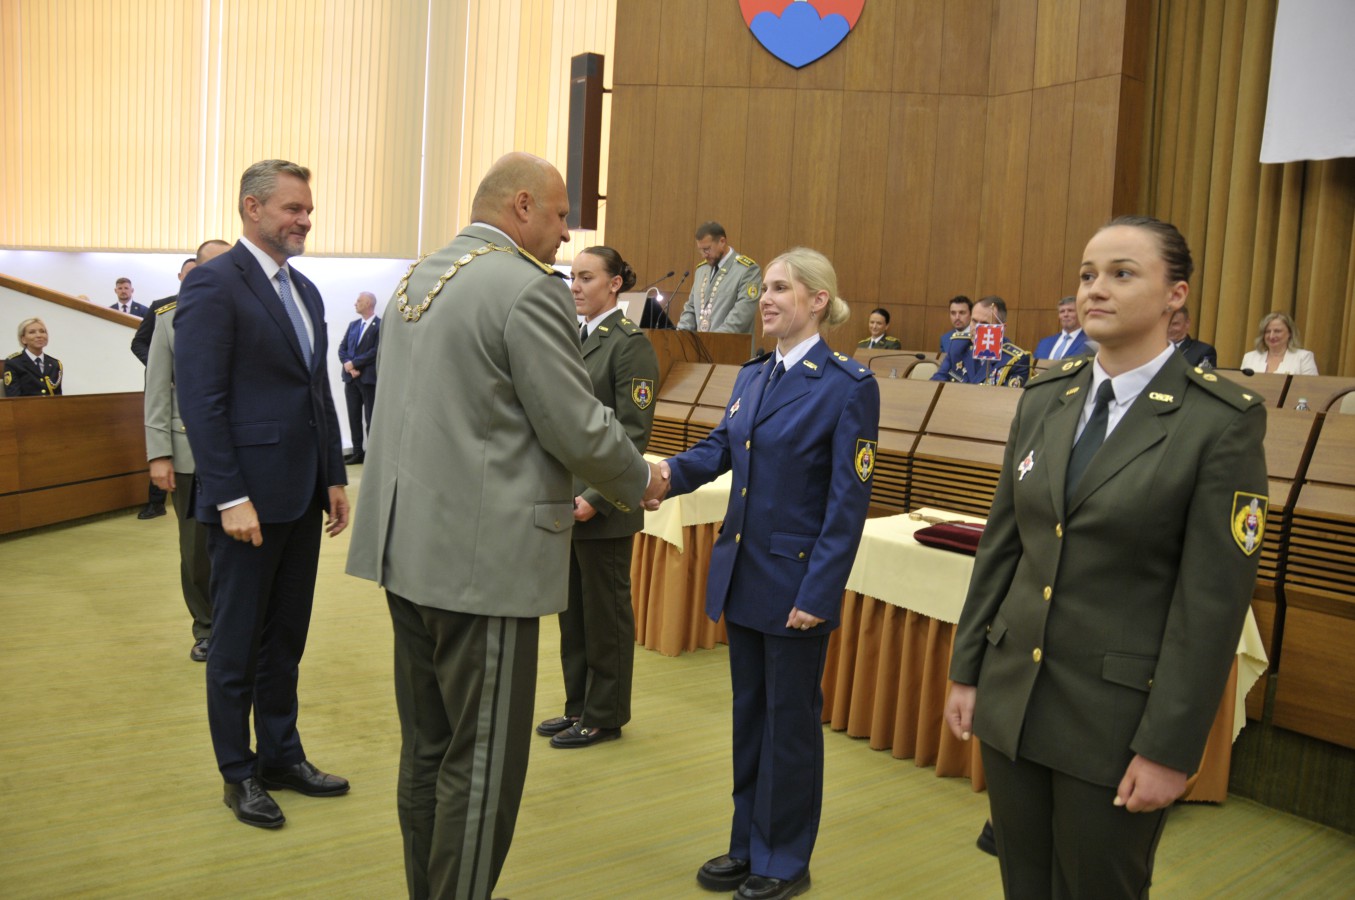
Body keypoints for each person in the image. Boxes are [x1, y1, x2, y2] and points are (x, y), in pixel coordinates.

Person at [345, 152, 669, 900]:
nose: (565, 234)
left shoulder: (420, 277)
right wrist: (640, 478)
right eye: (559, 215)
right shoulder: (524, 287)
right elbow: (575, 424)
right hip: (482, 565)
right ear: (522, 205)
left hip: (407, 551)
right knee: (483, 761)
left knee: (428, 749)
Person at [943, 215, 1267, 898]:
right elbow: (1003, 546)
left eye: (1122, 273)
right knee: (1023, 885)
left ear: (1175, 295)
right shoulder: (1045, 397)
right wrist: (967, 671)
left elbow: (1210, 604)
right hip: (1014, 698)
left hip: (1115, 724)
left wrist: (1169, 747)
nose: (1095, 288)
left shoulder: (1217, 420)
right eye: (1088, 274)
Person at [662, 247, 878, 900]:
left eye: (781, 288)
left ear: (818, 300)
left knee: (789, 729)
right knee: (750, 720)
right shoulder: (754, 375)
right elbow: (719, 450)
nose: (766, 299)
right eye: (763, 289)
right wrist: (663, 476)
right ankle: (745, 846)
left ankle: (783, 859)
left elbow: (847, 503)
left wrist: (820, 591)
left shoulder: (846, 386)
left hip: (794, 587)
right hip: (744, 576)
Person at [175, 159, 351, 830]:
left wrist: (333, 475)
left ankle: (281, 755)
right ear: (252, 208)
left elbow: (316, 392)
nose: (304, 219)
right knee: (236, 646)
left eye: (308, 209)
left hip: (301, 497)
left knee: (285, 640)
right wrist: (228, 497)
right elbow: (202, 401)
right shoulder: (214, 284)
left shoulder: (304, 291)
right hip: (244, 503)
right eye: (292, 209)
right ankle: (238, 773)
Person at [537, 245, 660, 750]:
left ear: (615, 284)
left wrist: (597, 496)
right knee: (573, 615)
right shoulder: (574, 336)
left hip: (603, 506)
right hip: (566, 501)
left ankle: (605, 715)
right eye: (573, 277)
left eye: (587, 278)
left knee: (605, 616)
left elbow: (633, 433)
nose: (576, 287)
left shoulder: (629, 345)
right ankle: (578, 706)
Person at [144, 240, 232, 662]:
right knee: (196, 550)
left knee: (244, 545)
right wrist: (158, 453)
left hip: (243, 451)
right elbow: (157, 389)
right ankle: (207, 627)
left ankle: (239, 625)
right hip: (188, 451)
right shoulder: (168, 319)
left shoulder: (251, 308)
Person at [133, 255, 205, 520]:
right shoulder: (163, 309)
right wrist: (168, 369)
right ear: (180, 277)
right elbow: (140, 343)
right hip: (175, 406)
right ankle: (155, 503)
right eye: (190, 273)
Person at [677, 221, 761, 333]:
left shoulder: (747, 270)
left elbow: (741, 316)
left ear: (722, 242)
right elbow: (691, 308)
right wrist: (680, 334)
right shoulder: (701, 270)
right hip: (701, 343)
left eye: (707, 249)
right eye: (700, 250)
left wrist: (712, 340)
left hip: (729, 343)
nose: (703, 255)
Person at [931, 296, 1030, 386]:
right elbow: (936, 382)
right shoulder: (958, 345)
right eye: (974, 321)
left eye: (984, 324)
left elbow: (1008, 398)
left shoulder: (1015, 361)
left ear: (1002, 328)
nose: (976, 328)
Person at [336, 291, 381, 464]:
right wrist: (349, 365)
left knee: (371, 418)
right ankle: (357, 452)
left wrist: (354, 364)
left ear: (368, 303)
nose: (355, 303)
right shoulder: (353, 325)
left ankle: (373, 454)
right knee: (353, 416)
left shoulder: (379, 326)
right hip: (351, 379)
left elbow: (375, 351)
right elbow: (342, 348)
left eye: (359, 301)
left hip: (368, 380)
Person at [1240, 311, 1319, 375]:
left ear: (1290, 333)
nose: (1271, 336)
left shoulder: (1304, 357)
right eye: (1267, 331)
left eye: (1277, 331)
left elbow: (1311, 387)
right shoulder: (1249, 358)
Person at [4, 318, 63, 397]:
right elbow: (14, 397)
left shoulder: (55, 364)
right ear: (23, 339)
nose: (39, 335)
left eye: (42, 331)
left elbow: (58, 397)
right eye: (32, 332)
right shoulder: (14, 363)